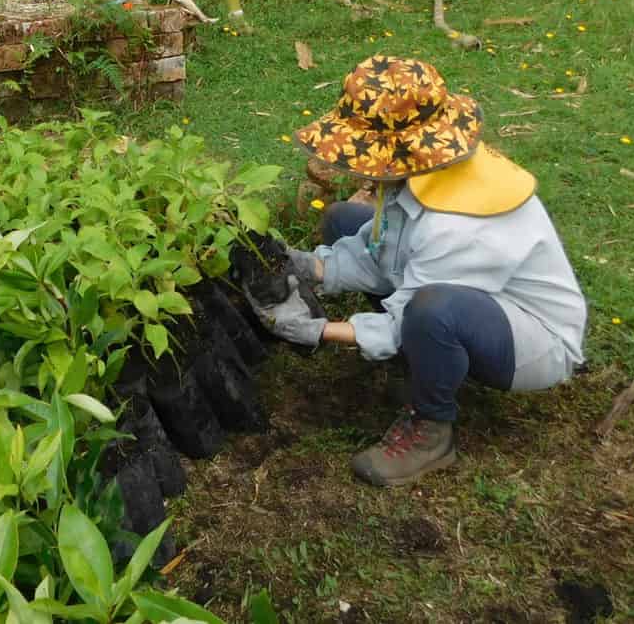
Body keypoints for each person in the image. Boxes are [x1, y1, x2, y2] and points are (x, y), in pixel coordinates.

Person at [250, 55, 588, 487]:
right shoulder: (425, 171)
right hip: (466, 294)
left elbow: (404, 315)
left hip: (531, 339)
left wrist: (318, 330)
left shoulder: (459, 224)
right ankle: (426, 358)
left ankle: (431, 430)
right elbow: (384, 249)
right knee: (342, 219)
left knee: (432, 311)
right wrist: (311, 265)